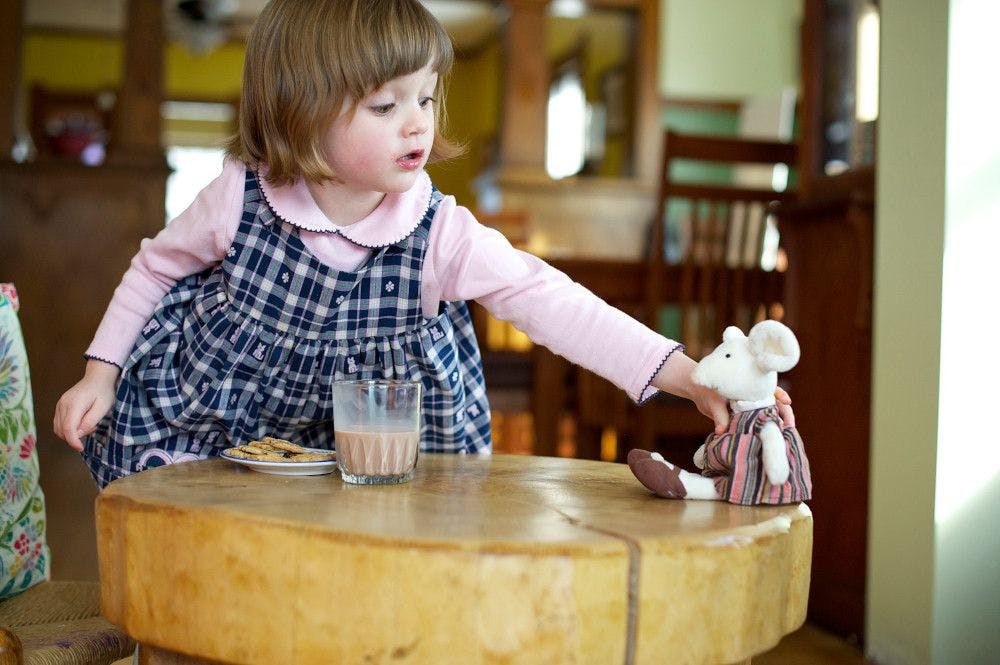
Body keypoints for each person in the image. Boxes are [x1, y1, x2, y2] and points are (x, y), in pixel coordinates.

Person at [53, 0, 792, 488]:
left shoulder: (441, 233)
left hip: (373, 453)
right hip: (221, 434)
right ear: (299, 114)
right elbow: (154, 269)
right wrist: (99, 373)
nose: (420, 124)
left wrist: (690, 374)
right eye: (386, 104)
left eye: (427, 97)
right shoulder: (236, 199)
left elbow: (559, 306)